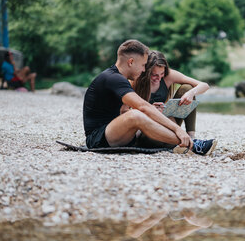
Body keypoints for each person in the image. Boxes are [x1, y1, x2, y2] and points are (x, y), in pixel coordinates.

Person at [82, 39, 217, 155]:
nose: (143, 70)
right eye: (142, 65)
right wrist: (177, 129)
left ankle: (186, 142)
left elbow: (124, 111)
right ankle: (191, 144)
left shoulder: (119, 79)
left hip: (120, 134)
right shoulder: (113, 78)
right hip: (99, 138)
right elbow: (142, 107)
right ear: (130, 62)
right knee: (136, 115)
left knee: (140, 115)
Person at [133, 50, 210, 139]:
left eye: (161, 74)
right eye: (154, 75)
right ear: (146, 71)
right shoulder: (136, 79)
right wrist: (150, 109)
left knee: (186, 88)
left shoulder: (169, 75)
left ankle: (191, 137)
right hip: (145, 123)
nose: (158, 78)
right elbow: (127, 110)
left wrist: (191, 93)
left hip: (168, 121)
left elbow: (204, 85)